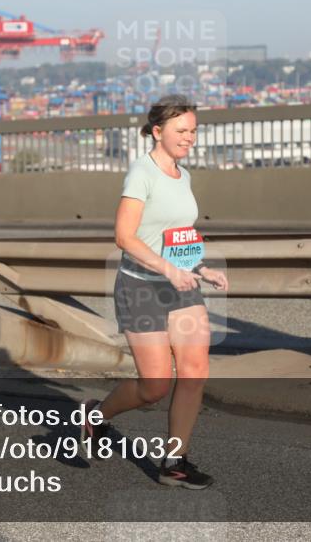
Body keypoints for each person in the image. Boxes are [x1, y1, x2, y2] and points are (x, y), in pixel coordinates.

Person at [81, 94, 229, 490]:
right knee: (155, 386)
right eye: (182, 131)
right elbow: (124, 237)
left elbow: (178, 237)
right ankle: (95, 417)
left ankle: (174, 461)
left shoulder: (185, 175)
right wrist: (167, 269)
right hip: (142, 287)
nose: (190, 138)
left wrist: (200, 267)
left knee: (196, 370)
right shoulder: (140, 174)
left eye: (194, 131)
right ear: (158, 131)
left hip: (180, 286)